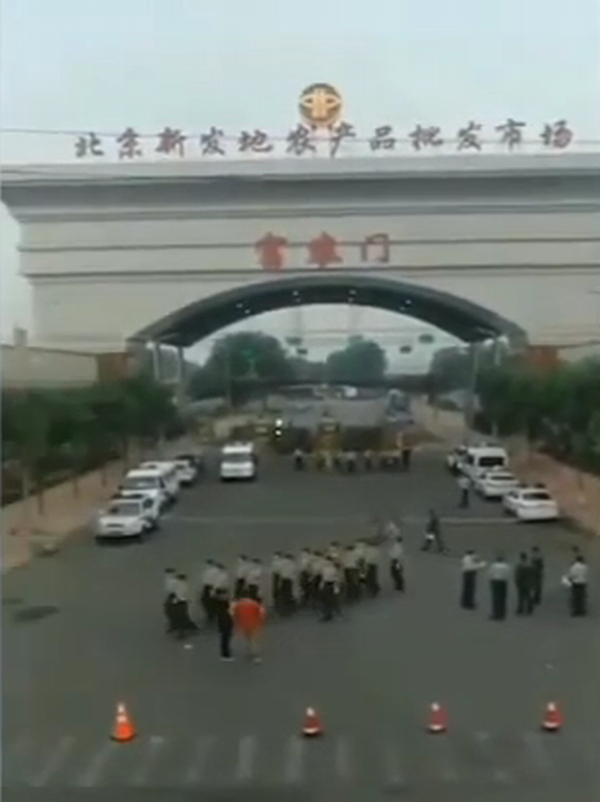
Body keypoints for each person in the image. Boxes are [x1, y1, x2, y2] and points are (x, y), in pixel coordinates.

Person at [231, 593, 266, 662]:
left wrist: (236, 622)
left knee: (248, 638)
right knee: (254, 639)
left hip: (244, 624)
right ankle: (255, 654)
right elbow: (261, 614)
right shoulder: (255, 604)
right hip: (254, 624)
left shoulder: (238, 605)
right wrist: (261, 621)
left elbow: (234, 615)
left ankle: (249, 650)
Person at [214, 589, 234, 661]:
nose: (226, 596)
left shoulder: (222, 602)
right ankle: (225, 654)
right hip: (224, 622)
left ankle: (226, 652)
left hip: (226, 621)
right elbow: (225, 612)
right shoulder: (220, 603)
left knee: (226, 637)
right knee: (225, 637)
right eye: (225, 594)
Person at [488, 555, 510, 621]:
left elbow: (490, 573)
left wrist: (491, 580)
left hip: (495, 581)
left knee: (496, 598)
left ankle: (496, 613)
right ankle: (502, 613)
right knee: (502, 598)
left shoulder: (493, 566)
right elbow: (508, 574)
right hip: (503, 581)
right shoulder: (506, 566)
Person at [200, 559, 218, 625]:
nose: (206, 566)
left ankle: (212, 613)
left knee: (210, 600)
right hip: (207, 587)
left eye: (207, 564)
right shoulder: (206, 571)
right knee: (205, 600)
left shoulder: (215, 571)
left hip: (212, 587)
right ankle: (211, 612)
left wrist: (213, 589)